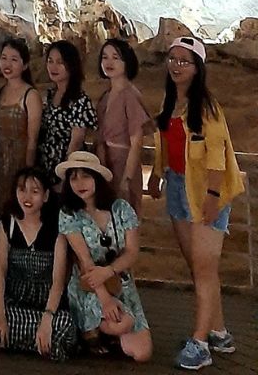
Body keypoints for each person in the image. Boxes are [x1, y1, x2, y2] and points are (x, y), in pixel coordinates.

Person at [146, 38, 244, 370]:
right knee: (198, 267)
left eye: (184, 61)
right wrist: (156, 175)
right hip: (178, 185)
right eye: (172, 59)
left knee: (203, 268)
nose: (175, 65)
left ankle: (199, 342)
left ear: (198, 67)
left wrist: (214, 199)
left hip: (204, 192)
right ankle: (218, 332)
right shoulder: (172, 100)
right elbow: (166, 139)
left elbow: (216, 157)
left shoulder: (207, 107)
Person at [0, 167, 77, 361]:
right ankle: (30, 340)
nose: (27, 197)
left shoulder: (57, 229)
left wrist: (47, 318)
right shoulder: (8, 223)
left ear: (45, 196)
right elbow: (0, 270)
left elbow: (58, 281)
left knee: (65, 323)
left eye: (35, 191)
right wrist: (0, 314)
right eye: (22, 189)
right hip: (13, 299)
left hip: (44, 303)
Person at [57, 151, 151, 362]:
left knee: (142, 353)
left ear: (97, 178)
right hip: (89, 282)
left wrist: (109, 270)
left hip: (119, 279)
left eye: (86, 176)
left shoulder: (121, 209)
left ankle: (107, 333)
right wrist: (105, 298)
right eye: (74, 177)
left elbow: (132, 252)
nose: (80, 183)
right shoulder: (69, 213)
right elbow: (84, 261)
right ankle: (92, 329)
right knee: (122, 322)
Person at [96, 38, 151, 212]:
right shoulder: (106, 96)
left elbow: (136, 141)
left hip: (124, 163)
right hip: (105, 164)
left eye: (115, 57)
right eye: (105, 57)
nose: (109, 62)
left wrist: (126, 178)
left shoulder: (130, 95)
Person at [37, 40, 97, 187]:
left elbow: (75, 142)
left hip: (67, 165)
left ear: (71, 65)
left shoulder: (80, 100)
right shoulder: (49, 95)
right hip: (45, 162)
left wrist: (65, 174)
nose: (53, 66)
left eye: (60, 62)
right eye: (50, 61)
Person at [0, 39, 42, 212]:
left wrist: (28, 171)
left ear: (25, 64)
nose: (7, 64)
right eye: (4, 58)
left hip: (19, 158)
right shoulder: (1, 91)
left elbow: (32, 139)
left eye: (14, 59)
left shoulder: (30, 95)